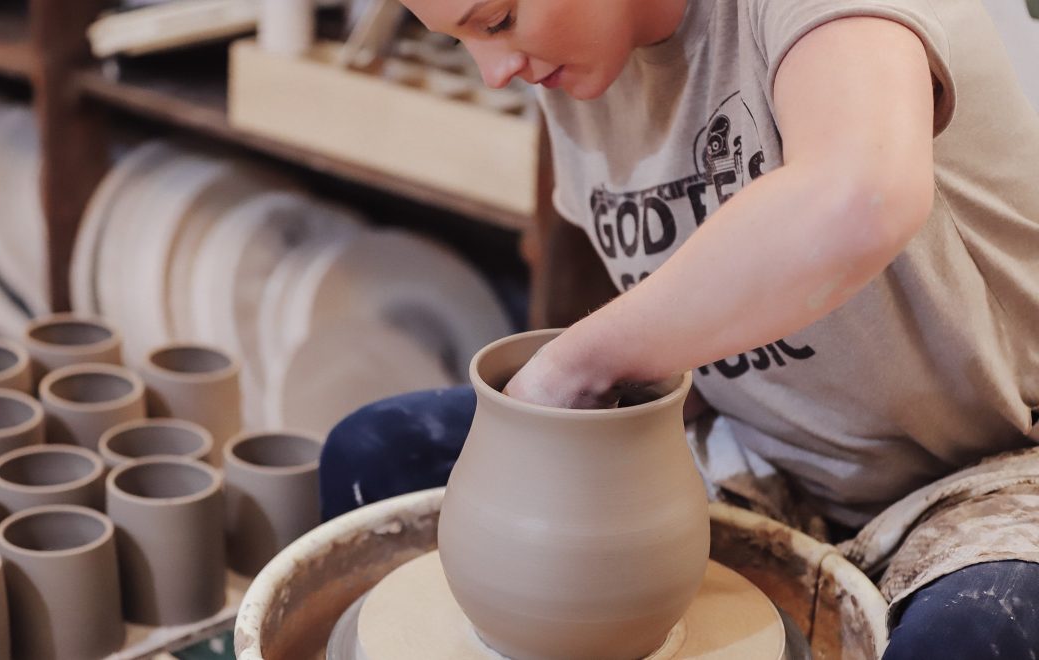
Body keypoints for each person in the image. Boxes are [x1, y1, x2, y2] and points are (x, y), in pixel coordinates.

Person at [319, 0, 1039, 656]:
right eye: (456, 39)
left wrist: (578, 366)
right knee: (378, 454)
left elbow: (861, 196)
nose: (496, 71)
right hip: (764, 453)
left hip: (993, 471)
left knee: (969, 636)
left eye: (498, 20)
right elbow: (666, 309)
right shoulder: (576, 67)